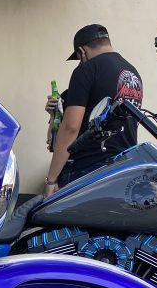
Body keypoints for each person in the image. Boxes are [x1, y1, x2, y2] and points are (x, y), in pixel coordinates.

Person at [43, 24, 143, 197]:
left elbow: (71, 127)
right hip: (125, 167)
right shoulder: (133, 73)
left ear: (82, 51)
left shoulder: (86, 69)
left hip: (89, 169)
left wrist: (51, 179)